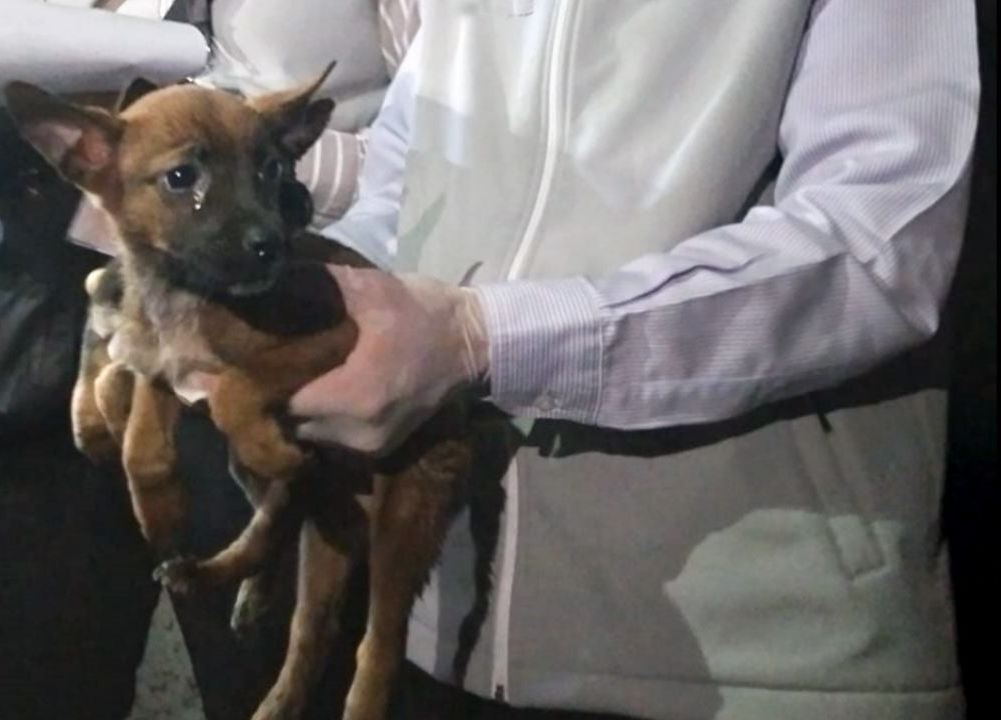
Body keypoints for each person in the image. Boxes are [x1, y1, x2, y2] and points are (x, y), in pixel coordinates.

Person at [289, 2, 981, 719]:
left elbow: (881, 244)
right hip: (445, 607)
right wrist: (304, 310)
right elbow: (403, 188)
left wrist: (488, 339)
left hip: (762, 652)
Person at [0, 1, 420, 719]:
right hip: (52, 334)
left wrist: (240, 157)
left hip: (256, 339)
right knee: (12, 686)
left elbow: (429, 143)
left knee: (266, 680)